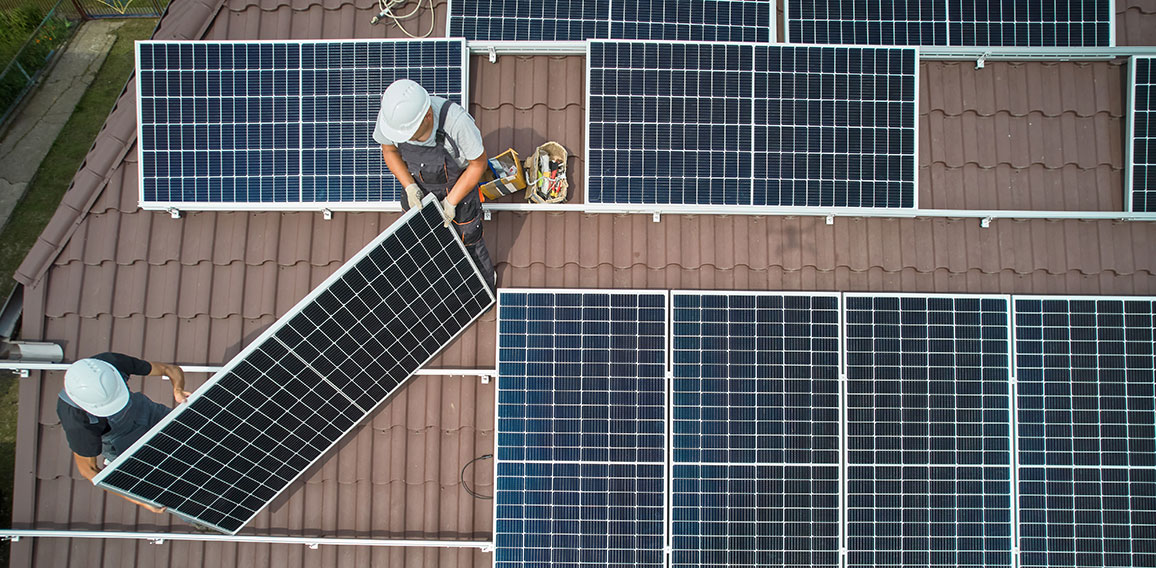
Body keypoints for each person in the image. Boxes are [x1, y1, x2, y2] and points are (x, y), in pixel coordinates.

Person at [373, 78, 496, 290]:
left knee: (469, 238)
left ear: (428, 116)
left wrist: (451, 202)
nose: (407, 140)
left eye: (412, 135)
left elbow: (478, 164)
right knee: (423, 240)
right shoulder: (393, 119)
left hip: (458, 189)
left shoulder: (456, 123)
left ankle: (482, 287)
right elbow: (389, 150)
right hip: (417, 187)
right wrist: (409, 186)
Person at [57, 352, 190, 513]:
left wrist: (178, 389)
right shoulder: (77, 421)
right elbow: (89, 471)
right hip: (125, 446)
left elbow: (170, 369)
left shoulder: (108, 365)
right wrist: (140, 500)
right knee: (177, 491)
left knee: (200, 438)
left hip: (152, 415)